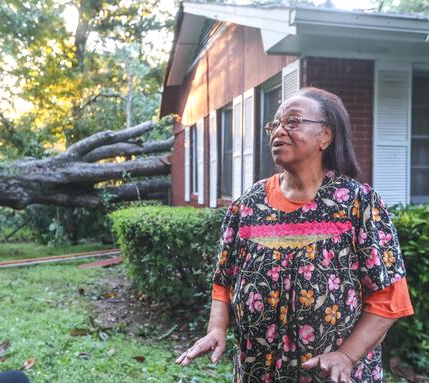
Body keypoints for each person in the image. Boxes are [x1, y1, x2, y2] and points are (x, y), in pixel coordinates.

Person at [176, 87, 414, 383]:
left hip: (334, 376)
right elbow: (224, 282)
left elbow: (390, 296)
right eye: (275, 124)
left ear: (325, 136)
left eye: (293, 122)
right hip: (257, 372)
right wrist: (216, 328)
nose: (279, 130)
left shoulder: (357, 203)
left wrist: (347, 355)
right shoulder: (248, 205)